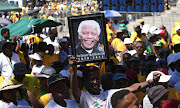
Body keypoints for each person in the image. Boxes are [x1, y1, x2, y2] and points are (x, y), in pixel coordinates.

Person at [69, 55, 161, 108]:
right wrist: (74, 69)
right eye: (91, 79)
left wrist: (151, 81)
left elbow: (133, 88)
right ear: (85, 82)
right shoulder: (84, 97)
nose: (95, 82)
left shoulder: (108, 94)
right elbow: (74, 89)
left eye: (97, 78)